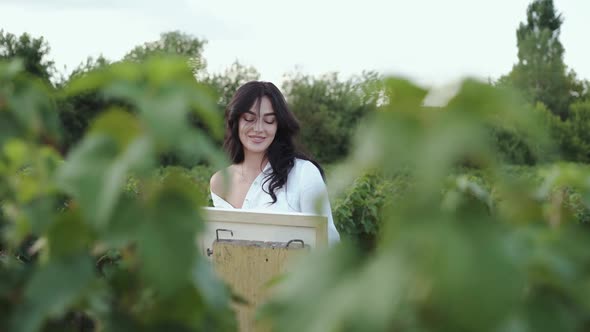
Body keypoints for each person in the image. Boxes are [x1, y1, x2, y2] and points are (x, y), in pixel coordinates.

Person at [209, 81, 340, 244]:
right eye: (249, 119)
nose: (258, 128)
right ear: (236, 122)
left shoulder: (304, 174)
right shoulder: (220, 181)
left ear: (279, 125)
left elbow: (328, 242)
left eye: (269, 121)